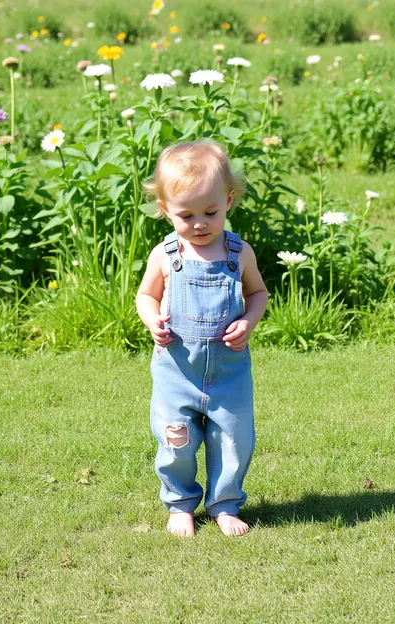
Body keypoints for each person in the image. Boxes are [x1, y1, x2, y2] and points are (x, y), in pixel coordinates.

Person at [136, 139, 268, 537]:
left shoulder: (238, 252)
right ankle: (179, 504)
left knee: (234, 437)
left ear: (228, 201)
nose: (199, 223)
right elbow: (146, 295)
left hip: (229, 374)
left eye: (210, 212)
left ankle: (225, 504)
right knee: (176, 438)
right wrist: (152, 318)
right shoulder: (166, 255)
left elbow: (257, 293)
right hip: (178, 372)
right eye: (186, 214)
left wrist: (248, 321)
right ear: (165, 211)